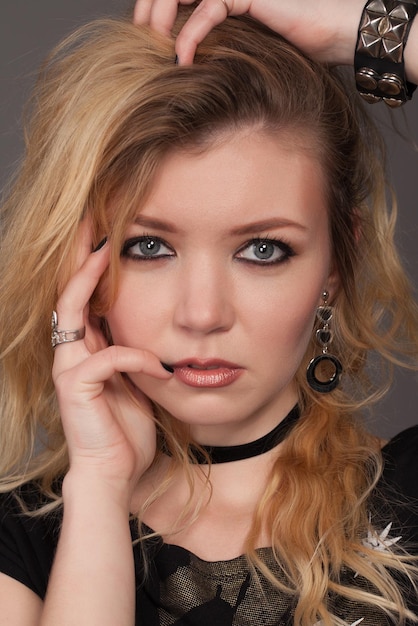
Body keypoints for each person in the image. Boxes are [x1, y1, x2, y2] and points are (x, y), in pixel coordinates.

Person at [0, 0, 417, 624]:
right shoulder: (23, 543)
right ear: (79, 266)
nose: (202, 314)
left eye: (262, 250)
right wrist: (98, 490)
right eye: (149, 247)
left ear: (336, 261)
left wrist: (371, 29)